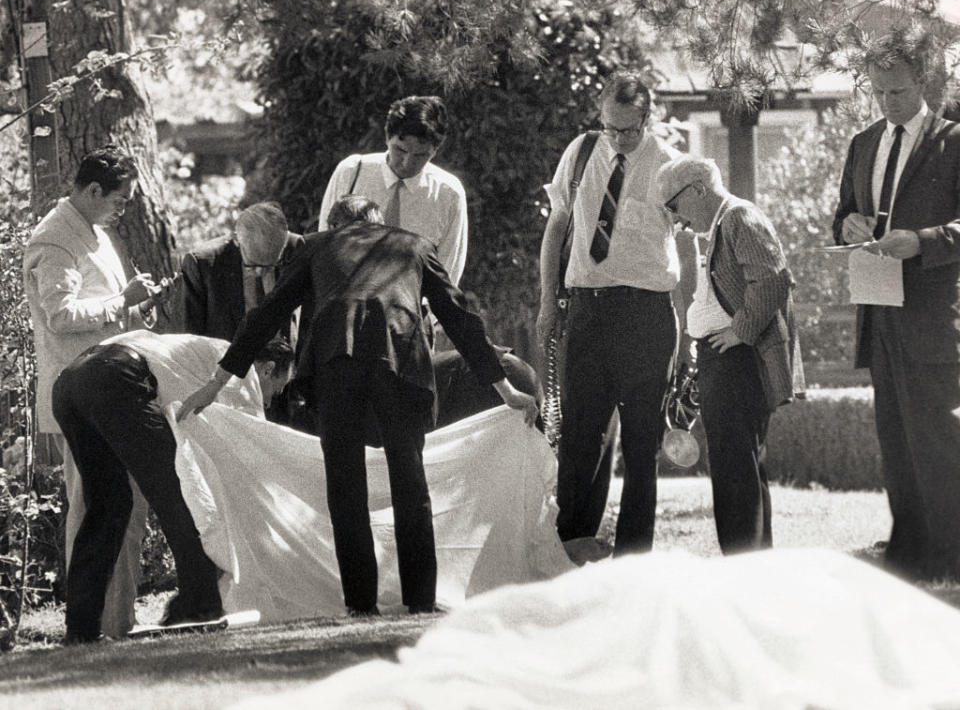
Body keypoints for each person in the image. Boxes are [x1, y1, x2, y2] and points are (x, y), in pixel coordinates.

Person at [178, 194, 538, 616]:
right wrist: (506, 391)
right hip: (399, 356)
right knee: (410, 479)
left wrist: (216, 382)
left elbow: (266, 314)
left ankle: (360, 603)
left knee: (345, 485)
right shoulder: (414, 244)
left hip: (338, 358)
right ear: (379, 221)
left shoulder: (317, 246)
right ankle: (420, 600)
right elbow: (460, 317)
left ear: (332, 224)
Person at [51, 330, 294, 643]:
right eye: (276, 389)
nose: (271, 400)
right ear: (268, 368)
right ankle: (198, 609)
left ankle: (80, 629)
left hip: (70, 383)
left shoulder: (201, 350)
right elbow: (249, 459)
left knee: (108, 507)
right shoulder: (242, 368)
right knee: (181, 499)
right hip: (117, 378)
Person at [22, 146, 172, 637]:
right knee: (94, 508)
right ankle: (91, 625)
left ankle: (118, 621)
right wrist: (119, 302)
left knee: (128, 505)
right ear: (91, 191)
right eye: (120, 200)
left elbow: (106, 307)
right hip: (81, 398)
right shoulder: (55, 238)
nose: (124, 209)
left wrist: (136, 307)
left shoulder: (96, 232)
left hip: (111, 393)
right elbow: (60, 317)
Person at [832, 26, 960, 581]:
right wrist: (849, 222)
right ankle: (908, 551)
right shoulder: (863, 143)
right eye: (879, 93)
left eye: (899, 93)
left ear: (924, 84)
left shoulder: (953, 142)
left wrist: (924, 241)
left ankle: (951, 555)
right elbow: (839, 217)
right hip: (878, 310)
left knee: (940, 438)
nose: (888, 104)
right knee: (895, 438)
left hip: (934, 316)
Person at [536, 70, 679, 556]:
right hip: (587, 311)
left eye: (629, 130)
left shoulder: (669, 165)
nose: (618, 139)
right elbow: (557, 228)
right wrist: (546, 301)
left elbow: (694, 247)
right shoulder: (580, 152)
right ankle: (573, 545)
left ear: (648, 117)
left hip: (646, 315)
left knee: (642, 447)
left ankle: (634, 556)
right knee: (580, 438)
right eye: (610, 127)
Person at [656, 155, 804, 553]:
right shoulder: (721, 225)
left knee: (734, 467)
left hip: (738, 362)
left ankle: (743, 565)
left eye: (674, 207)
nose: (676, 221)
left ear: (698, 190)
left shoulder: (739, 216)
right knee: (738, 466)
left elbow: (774, 280)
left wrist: (740, 330)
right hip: (722, 360)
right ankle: (753, 561)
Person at [314, 95, 468, 284]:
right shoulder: (353, 171)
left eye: (420, 155)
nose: (407, 163)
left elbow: (448, 272)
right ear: (387, 137)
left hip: (412, 308)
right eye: (401, 150)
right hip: (346, 300)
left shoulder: (448, 194)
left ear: (435, 150)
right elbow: (323, 244)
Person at [180, 201, 305, 344]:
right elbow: (192, 338)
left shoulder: (297, 248)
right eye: (252, 265)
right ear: (236, 240)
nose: (260, 273)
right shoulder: (202, 265)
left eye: (270, 266)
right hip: (227, 358)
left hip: (282, 357)